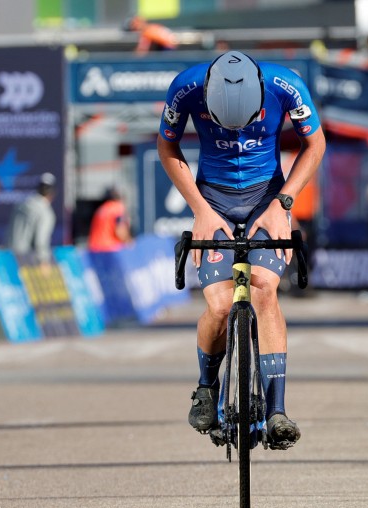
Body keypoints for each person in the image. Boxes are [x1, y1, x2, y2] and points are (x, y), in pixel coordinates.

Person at [157, 51, 325, 449]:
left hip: (266, 195)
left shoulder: (286, 84)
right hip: (212, 198)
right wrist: (199, 210)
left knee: (264, 289)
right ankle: (205, 388)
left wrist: (284, 204)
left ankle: (277, 411)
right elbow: (167, 147)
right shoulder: (185, 87)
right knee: (218, 306)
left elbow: (314, 144)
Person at [5, 173, 57, 265]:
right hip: (27, 258)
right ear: (51, 193)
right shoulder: (45, 212)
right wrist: (43, 260)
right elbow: (41, 240)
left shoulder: (21, 204)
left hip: (9, 254)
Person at [87, 187, 132, 252]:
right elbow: (120, 231)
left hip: (94, 249)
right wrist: (129, 241)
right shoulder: (117, 207)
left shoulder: (101, 209)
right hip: (109, 250)